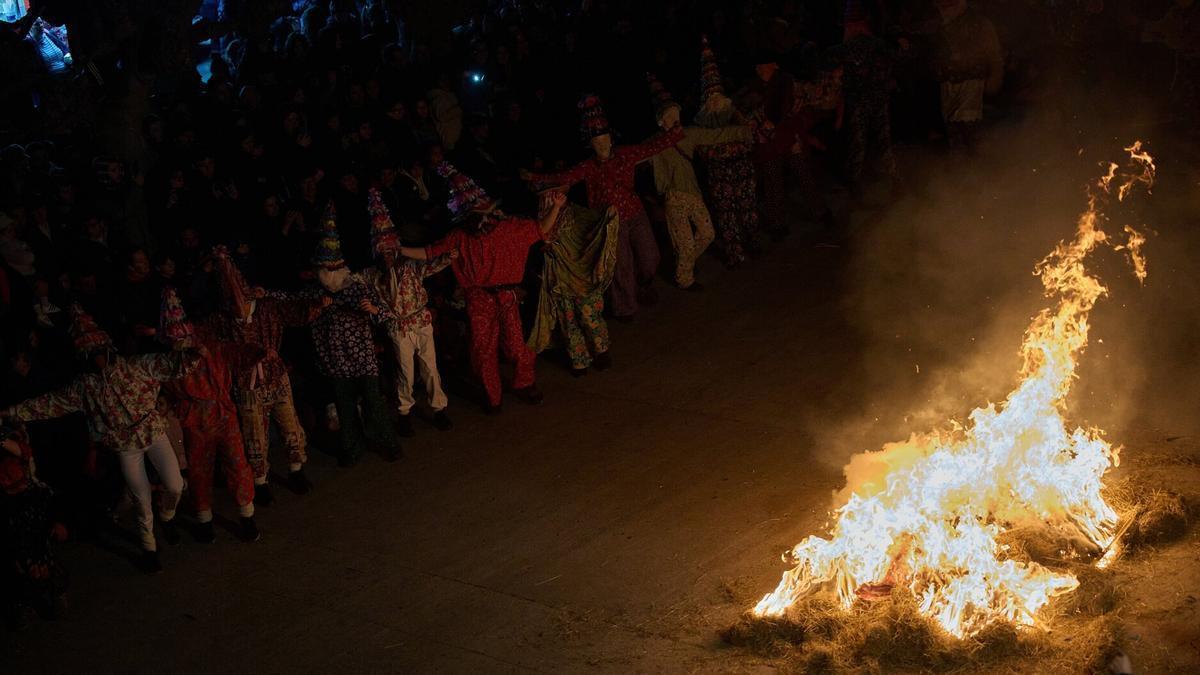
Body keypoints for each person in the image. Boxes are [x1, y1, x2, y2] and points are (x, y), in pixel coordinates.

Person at [2, 306, 200, 573]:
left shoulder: (135, 367)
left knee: (175, 485)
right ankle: (149, 547)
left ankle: (167, 516)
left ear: (107, 348)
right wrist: (11, 412)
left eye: (99, 352)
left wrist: (193, 353)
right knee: (141, 498)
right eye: (90, 355)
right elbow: (50, 403)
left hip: (153, 432)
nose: (97, 360)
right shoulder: (85, 386)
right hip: (125, 445)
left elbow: (171, 364)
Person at [400, 163, 564, 413]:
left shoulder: (509, 228)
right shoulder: (460, 236)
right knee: (483, 349)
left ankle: (524, 383)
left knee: (516, 344)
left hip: (506, 295)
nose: (483, 220)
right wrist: (399, 250)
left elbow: (541, 229)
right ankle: (493, 395)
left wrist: (557, 206)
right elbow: (429, 252)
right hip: (478, 298)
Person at [525, 94, 683, 321]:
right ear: (590, 143)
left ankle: (645, 283)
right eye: (596, 140)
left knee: (650, 256)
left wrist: (674, 132)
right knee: (621, 265)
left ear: (611, 137)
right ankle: (625, 307)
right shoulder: (588, 167)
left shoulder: (626, 154)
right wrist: (535, 177)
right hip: (610, 220)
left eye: (604, 137)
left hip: (635, 212)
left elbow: (651, 147)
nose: (601, 143)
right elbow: (564, 176)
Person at [203, 248, 328, 505]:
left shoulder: (267, 308)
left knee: (290, 424)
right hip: (248, 386)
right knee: (254, 436)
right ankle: (260, 482)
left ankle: (296, 470)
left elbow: (295, 314)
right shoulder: (221, 320)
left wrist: (316, 306)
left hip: (276, 376)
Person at [157, 287, 262, 543]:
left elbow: (236, 351)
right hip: (194, 418)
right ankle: (204, 519)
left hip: (223, 413)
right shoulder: (169, 360)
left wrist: (258, 352)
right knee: (199, 470)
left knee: (237, 463)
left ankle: (246, 515)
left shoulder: (211, 346)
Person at [308, 202, 401, 467]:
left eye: (333, 270)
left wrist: (373, 310)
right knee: (345, 408)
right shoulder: (316, 294)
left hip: (363, 359)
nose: (329, 276)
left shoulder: (357, 288)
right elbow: (291, 303)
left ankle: (389, 443)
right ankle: (352, 448)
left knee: (374, 402)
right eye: (325, 271)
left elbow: (385, 313)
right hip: (337, 362)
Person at [363, 188, 454, 436]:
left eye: (391, 249)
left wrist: (451, 255)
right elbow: (353, 286)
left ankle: (439, 409)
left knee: (430, 368)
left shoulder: (411, 267)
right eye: (383, 251)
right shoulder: (372, 276)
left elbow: (434, 263)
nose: (388, 254)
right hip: (398, 327)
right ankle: (405, 413)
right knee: (405, 372)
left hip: (421, 322)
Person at [645, 73, 750, 290]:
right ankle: (685, 279)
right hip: (673, 197)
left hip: (693, 193)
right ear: (661, 121)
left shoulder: (688, 134)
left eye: (676, 112)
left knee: (707, 233)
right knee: (684, 242)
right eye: (670, 114)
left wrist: (743, 131)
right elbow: (638, 155)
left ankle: (684, 264)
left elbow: (716, 135)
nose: (675, 117)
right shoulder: (655, 144)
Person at [527, 185, 619, 376]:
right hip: (559, 277)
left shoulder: (575, 213)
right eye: (544, 196)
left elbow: (594, 223)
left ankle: (601, 351)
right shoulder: (541, 219)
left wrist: (608, 215)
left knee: (589, 315)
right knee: (568, 320)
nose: (549, 199)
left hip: (581, 275)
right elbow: (543, 236)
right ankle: (579, 359)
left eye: (553, 194)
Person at [694, 36, 761, 269]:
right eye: (711, 99)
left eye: (718, 99)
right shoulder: (701, 125)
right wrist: (729, 144)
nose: (716, 103)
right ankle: (735, 253)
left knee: (748, 207)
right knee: (726, 216)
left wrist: (728, 142)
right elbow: (705, 151)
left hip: (741, 170)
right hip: (720, 176)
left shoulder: (736, 115)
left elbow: (749, 139)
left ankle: (753, 242)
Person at [1, 423, 68, 629]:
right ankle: (21, 601)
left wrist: (57, 522)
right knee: (17, 565)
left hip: (33, 519)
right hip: (10, 520)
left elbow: (24, 453)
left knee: (43, 558)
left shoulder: (35, 489)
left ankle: (53, 587)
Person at [829, 1, 897, 188]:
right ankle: (891, 178)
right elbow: (892, 65)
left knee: (858, 142)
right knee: (883, 140)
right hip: (879, 99)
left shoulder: (845, 49)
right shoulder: (880, 45)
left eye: (848, 24)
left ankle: (855, 180)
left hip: (859, 101)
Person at [932, 0, 1003, 150]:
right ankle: (960, 163)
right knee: (953, 128)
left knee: (969, 128)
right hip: (948, 82)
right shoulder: (939, 24)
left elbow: (993, 53)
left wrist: (995, 77)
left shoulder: (978, 23)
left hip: (971, 83)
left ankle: (974, 164)